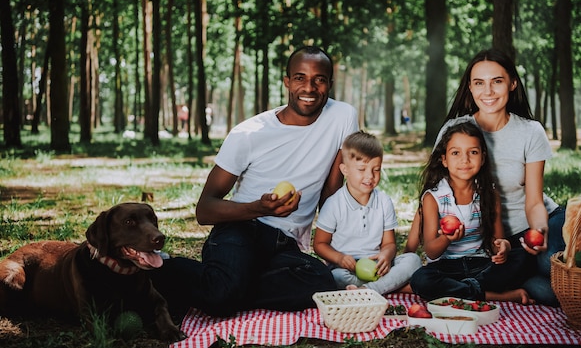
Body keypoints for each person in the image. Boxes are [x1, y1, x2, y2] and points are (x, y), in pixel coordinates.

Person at [151, 46, 359, 317]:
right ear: (287, 82)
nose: (309, 87)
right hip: (240, 229)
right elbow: (205, 210)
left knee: (319, 281)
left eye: (319, 79)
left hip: (285, 243)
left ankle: (230, 284)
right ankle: (164, 269)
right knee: (221, 298)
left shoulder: (343, 116)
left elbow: (332, 192)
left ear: (330, 84)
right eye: (299, 78)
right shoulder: (249, 133)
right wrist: (260, 208)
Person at [407, 48, 565, 306]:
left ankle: (525, 272)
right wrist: (409, 253)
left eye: (497, 81)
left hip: (534, 224)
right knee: (547, 292)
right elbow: (432, 192)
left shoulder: (530, 131)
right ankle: (506, 286)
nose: (488, 91)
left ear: (512, 83)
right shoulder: (455, 130)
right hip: (494, 243)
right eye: (479, 83)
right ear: (470, 87)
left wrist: (539, 232)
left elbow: (535, 202)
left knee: (548, 263)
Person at [409, 122, 532, 303]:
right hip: (445, 267)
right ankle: (490, 295)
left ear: (482, 158)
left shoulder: (488, 194)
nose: (464, 159)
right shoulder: (433, 198)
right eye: (455, 153)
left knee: (523, 258)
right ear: (444, 159)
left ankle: (461, 290)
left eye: (473, 152)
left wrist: (503, 247)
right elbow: (431, 251)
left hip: (480, 265)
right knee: (421, 279)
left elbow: (497, 241)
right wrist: (446, 239)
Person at [313, 131, 422, 295]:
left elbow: (389, 243)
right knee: (335, 276)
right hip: (346, 269)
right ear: (345, 170)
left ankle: (367, 290)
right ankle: (389, 287)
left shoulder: (384, 201)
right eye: (362, 169)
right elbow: (319, 244)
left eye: (376, 169)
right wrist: (339, 258)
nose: (369, 176)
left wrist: (386, 254)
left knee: (413, 261)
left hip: (377, 267)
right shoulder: (334, 204)